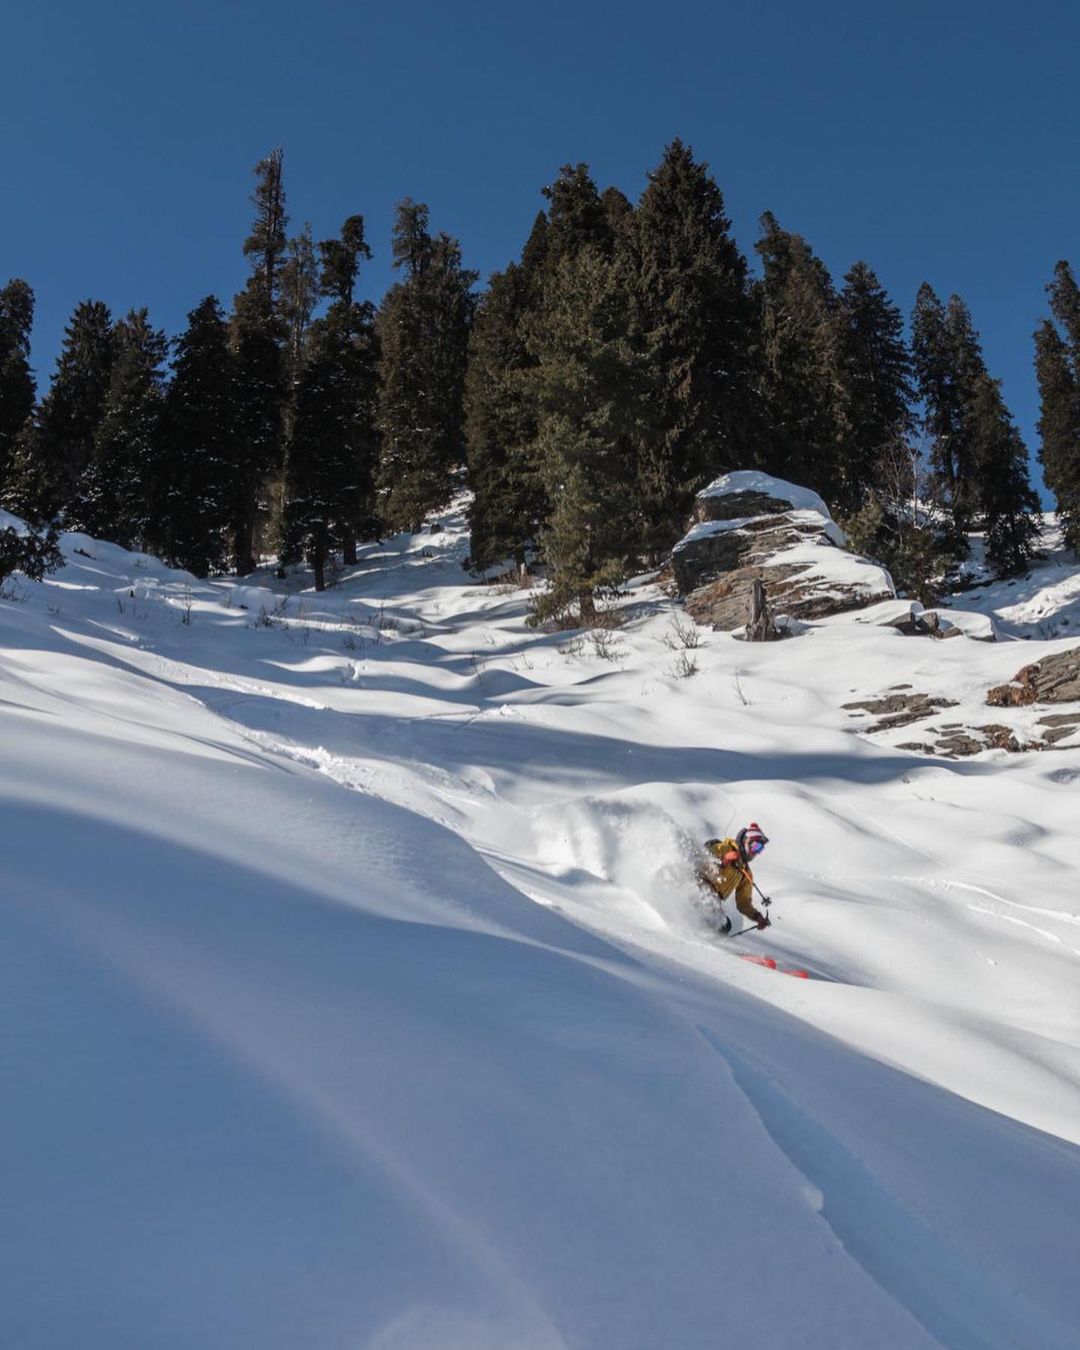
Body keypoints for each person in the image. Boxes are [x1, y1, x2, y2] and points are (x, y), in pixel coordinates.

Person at [699, 823, 771, 930]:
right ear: (747, 841)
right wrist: (723, 860)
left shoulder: (745, 872)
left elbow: (744, 903)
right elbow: (703, 854)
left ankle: (704, 941)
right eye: (756, 846)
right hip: (698, 885)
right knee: (710, 919)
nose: (756, 852)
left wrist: (757, 917)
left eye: (760, 849)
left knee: (724, 926)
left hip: (713, 900)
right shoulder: (726, 848)